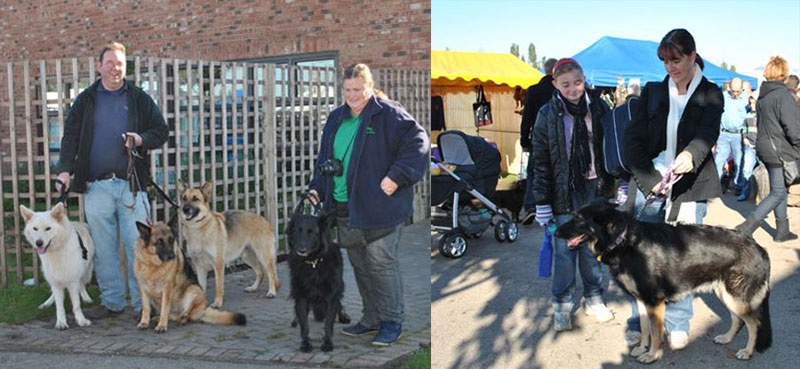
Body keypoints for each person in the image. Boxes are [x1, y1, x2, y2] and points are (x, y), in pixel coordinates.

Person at [307, 63, 428, 346]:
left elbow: (419, 142)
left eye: (358, 90)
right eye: (348, 90)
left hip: (380, 209)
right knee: (360, 266)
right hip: (344, 208)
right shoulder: (337, 118)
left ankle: (392, 322)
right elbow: (325, 158)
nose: (352, 95)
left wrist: (396, 177)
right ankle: (372, 318)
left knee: (381, 264)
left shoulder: (387, 113)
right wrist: (317, 189)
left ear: (370, 87)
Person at [623, 29, 723, 350]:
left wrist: (690, 155)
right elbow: (632, 140)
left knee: (681, 258)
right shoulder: (652, 92)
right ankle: (640, 323)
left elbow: (708, 132)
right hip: (648, 182)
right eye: (665, 61)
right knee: (639, 258)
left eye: (676, 59)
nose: (670, 67)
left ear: (693, 56)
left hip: (690, 185)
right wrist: (649, 180)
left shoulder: (711, 93)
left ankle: (677, 321)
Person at [56, 42, 169, 316]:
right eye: (110, 63)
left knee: (139, 248)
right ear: (99, 66)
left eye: (120, 63)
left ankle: (143, 304)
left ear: (125, 66)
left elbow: (161, 130)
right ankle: (113, 303)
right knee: (104, 251)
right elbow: (70, 136)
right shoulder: (86, 99)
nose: (115, 68)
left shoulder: (139, 97)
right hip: (96, 187)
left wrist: (141, 139)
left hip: (132, 187)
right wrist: (64, 170)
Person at [531, 58, 615, 332]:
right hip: (562, 192)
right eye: (565, 84)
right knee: (565, 252)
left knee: (593, 249)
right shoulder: (547, 113)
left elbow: (612, 148)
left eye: (577, 82)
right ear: (555, 84)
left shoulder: (600, 107)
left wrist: (618, 184)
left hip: (595, 188)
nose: (573, 89)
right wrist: (541, 202)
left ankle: (593, 298)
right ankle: (562, 305)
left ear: (584, 79)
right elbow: (541, 160)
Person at [735, 57, 800, 242]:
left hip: (765, 146)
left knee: (781, 189)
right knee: (778, 192)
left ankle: (782, 230)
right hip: (779, 148)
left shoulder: (763, 95)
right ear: (783, 73)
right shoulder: (783, 96)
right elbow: (793, 128)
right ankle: (746, 227)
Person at [519, 58, 558, 225]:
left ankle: (530, 206)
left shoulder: (534, 90)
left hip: (538, 137)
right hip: (558, 138)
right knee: (556, 171)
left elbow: (526, 117)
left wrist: (524, 139)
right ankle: (553, 205)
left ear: (544, 69)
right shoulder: (559, 90)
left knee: (534, 172)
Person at [714, 78, 749, 190]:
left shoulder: (746, 99)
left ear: (742, 89)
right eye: (733, 91)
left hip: (738, 135)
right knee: (719, 161)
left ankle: (738, 186)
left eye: (738, 91)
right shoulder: (723, 96)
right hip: (724, 134)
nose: (735, 93)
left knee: (739, 162)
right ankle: (714, 186)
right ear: (729, 87)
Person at [738, 95, 759, 201]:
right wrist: (745, 138)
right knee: (746, 170)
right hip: (749, 146)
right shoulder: (748, 115)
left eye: (754, 103)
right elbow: (744, 129)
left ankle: (761, 195)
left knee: (763, 172)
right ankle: (745, 193)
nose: (752, 105)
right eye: (750, 103)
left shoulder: (763, 115)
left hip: (761, 147)